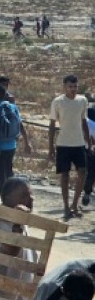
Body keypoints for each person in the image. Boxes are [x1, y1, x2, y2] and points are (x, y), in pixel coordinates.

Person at [48, 74, 91, 220]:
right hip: (63, 144)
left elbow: (83, 120)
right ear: (65, 87)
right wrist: (50, 148)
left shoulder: (82, 100)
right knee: (65, 175)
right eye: (70, 86)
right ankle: (66, 206)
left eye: (75, 86)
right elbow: (52, 125)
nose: (73, 89)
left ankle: (75, 203)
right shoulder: (58, 102)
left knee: (83, 172)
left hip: (79, 143)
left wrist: (89, 140)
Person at [0, 85, 32, 195]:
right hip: (11, 145)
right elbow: (20, 125)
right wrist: (27, 142)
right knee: (8, 170)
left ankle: (5, 197)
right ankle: (13, 194)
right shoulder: (13, 107)